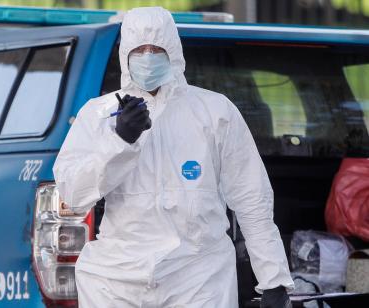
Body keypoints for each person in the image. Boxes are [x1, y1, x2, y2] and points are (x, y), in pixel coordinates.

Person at [53, 6, 294, 308]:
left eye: (157, 48)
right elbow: (72, 195)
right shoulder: (99, 115)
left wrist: (273, 280)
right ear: (126, 52)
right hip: (116, 282)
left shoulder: (214, 112)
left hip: (198, 278)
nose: (149, 56)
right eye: (140, 49)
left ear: (174, 50)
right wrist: (119, 143)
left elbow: (252, 199)